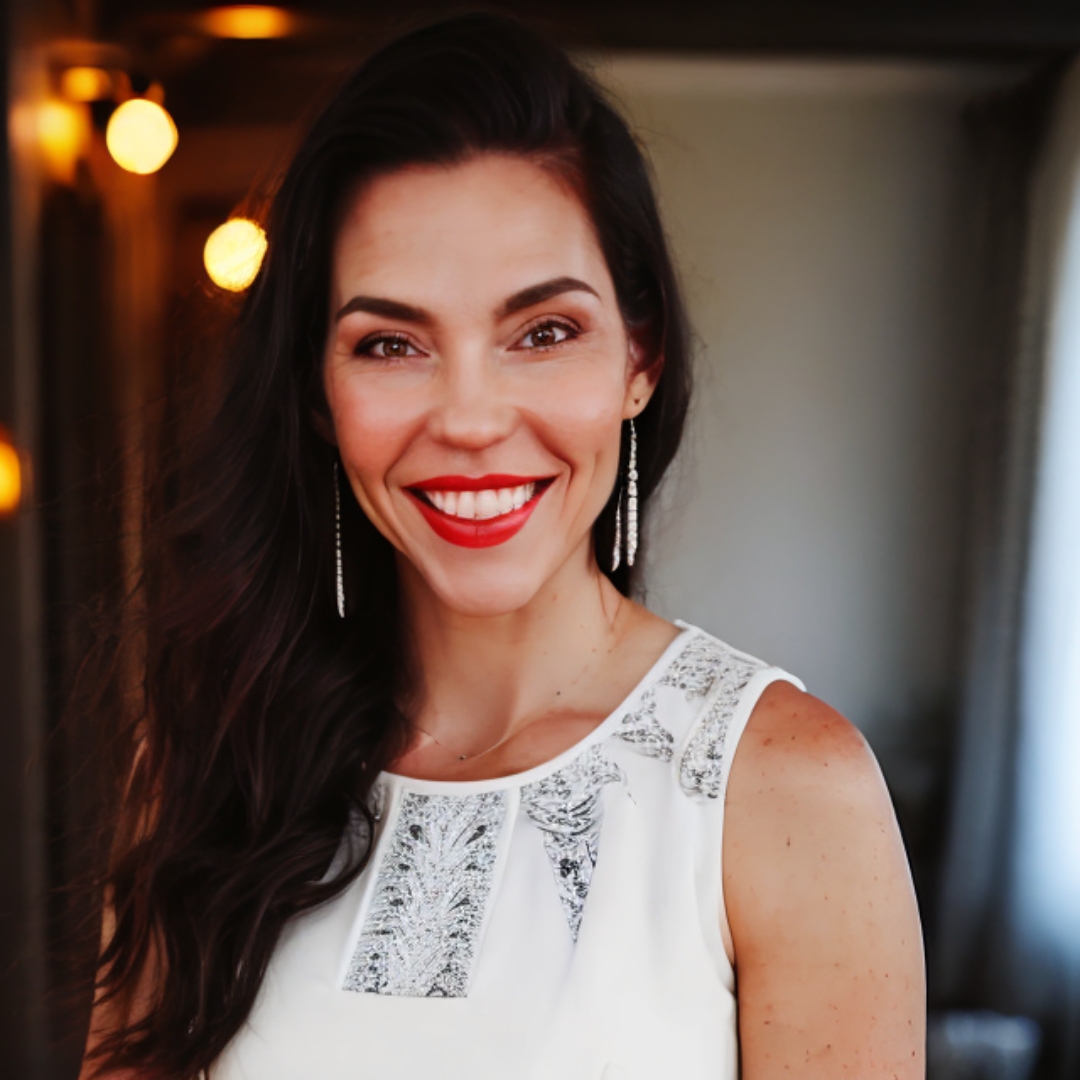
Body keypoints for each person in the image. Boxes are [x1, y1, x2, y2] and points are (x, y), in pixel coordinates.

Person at [80, 14, 925, 1080]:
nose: (471, 420)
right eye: (391, 344)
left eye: (543, 332)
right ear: (318, 394)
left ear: (640, 360)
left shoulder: (788, 790)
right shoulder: (211, 759)